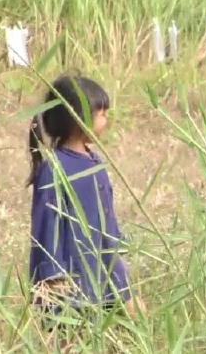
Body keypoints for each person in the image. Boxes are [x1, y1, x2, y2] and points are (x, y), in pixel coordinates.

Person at [28, 74, 137, 319]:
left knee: (132, 322)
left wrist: (118, 253)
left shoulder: (95, 161)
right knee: (74, 334)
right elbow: (46, 225)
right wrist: (52, 275)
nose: (107, 120)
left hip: (106, 272)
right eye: (102, 114)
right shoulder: (55, 168)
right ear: (79, 117)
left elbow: (106, 216)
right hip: (73, 282)